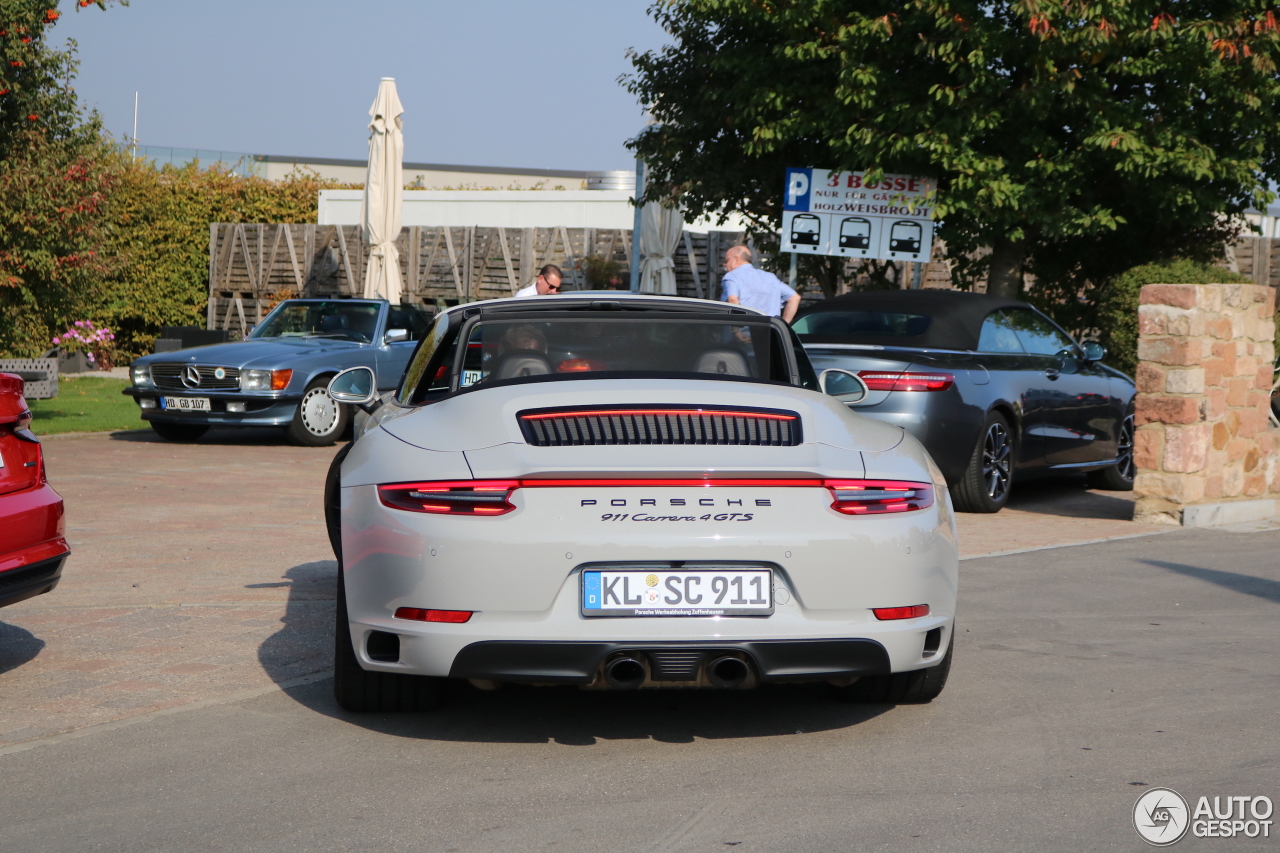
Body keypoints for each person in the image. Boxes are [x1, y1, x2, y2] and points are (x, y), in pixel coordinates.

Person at [720, 246, 800, 322]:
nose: (724, 264)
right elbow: (794, 298)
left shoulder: (732, 276)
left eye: (726, 261)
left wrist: (736, 330)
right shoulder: (770, 277)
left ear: (736, 259)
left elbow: (733, 300)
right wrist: (783, 326)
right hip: (770, 332)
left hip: (745, 331)